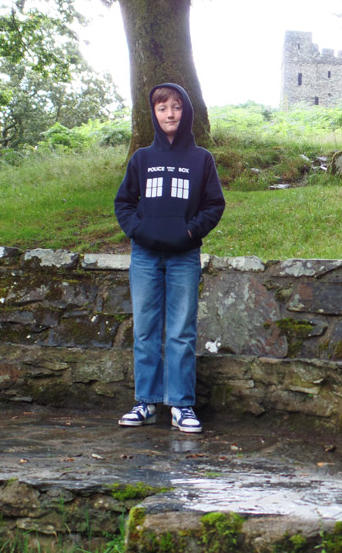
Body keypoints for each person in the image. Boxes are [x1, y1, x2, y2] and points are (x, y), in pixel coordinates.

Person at [114, 83, 225, 433]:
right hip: (145, 256)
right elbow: (124, 204)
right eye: (162, 108)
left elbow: (214, 205)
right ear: (154, 113)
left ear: (185, 111)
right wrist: (139, 231)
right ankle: (145, 403)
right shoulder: (142, 159)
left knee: (181, 331)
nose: (170, 114)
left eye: (176, 107)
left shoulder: (201, 159)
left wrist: (190, 233)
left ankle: (181, 405)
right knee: (145, 330)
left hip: (184, 257)